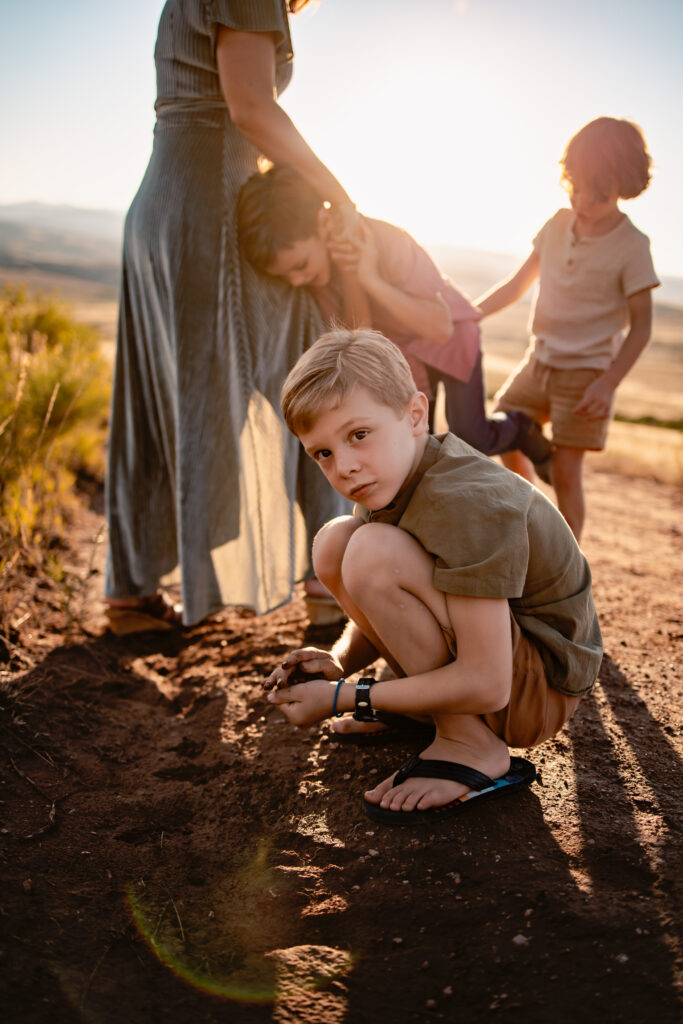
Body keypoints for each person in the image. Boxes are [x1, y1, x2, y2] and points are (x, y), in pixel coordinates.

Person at [264, 329, 603, 825]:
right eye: (324, 453)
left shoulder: (462, 499)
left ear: (415, 414)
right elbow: (396, 597)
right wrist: (339, 663)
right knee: (338, 543)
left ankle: (471, 744)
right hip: (500, 668)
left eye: (358, 435)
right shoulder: (395, 477)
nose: (346, 467)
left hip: (536, 690)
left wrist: (345, 697)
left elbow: (488, 684)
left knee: (371, 551)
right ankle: (422, 710)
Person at [105, 0, 353, 635]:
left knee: (159, 398)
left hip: (172, 202)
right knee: (313, 374)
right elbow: (251, 107)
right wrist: (340, 196)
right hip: (211, 208)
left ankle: (131, 594)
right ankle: (331, 581)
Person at [236, 164, 553, 470]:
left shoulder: (389, 241)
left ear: (322, 222)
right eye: (285, 276)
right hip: (404, 359)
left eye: (300, 265)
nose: (295, 281)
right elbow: (360, 340)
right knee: (414, 445)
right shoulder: (318, 277)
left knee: (471, 437)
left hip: (452, 341)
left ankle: (521, 428)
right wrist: (351, 276)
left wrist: (371, 279)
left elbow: (440, 327)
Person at [475, 117, 659, 541]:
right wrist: (467, 315)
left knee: (566, 470)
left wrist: (608, 384)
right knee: (505, 431)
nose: (581, 200)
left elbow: (643, 325)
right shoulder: (556, 224)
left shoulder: (633, 245)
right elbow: (516, 286)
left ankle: (567, 566)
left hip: (587, 373)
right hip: (538, 360)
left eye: (597, 194)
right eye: (574, 186)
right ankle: (527, 523)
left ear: (625, 184)